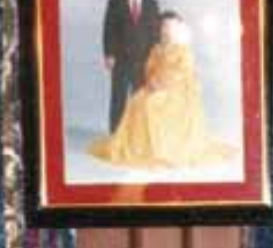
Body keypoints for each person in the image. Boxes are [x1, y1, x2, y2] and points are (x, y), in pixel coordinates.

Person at [88, 12, 236, 171]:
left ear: (177, 28)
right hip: (156, 85)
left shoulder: (183, 50)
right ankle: (142, 147)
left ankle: (162, 151)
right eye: (164, 26)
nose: (167, 30)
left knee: (152, 103)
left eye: (171, 26)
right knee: (137, 100)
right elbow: (150, 68)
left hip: (178, 90)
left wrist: (162, 83)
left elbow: (183, 72)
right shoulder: (157, 49)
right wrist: (152, 81)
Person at [101, 0, 161, 131]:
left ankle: (138, 135)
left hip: (144, 60)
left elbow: (155, 35)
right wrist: (109, 55)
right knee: (118, 98)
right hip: (120, 59)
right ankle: (115, 134)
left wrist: (154, 59)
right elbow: (108, 30)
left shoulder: (152, 3)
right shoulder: (114, 2)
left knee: (141, 99)